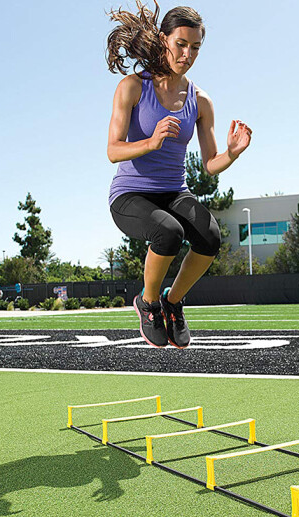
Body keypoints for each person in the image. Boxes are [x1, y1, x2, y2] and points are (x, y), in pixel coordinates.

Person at [105, 1, 252, 348]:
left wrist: (230, 153)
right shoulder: (132, 87)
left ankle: (173, 302)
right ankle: (149, 302)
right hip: (131, 196)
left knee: (210, 237)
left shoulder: (200, 101)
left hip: (174, 193)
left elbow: (210, 164)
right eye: (181, 44)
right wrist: (150, 141)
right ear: (164, 39)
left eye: (196, 47)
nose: (188, 53)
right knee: (168, 233)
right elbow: (113, 150)